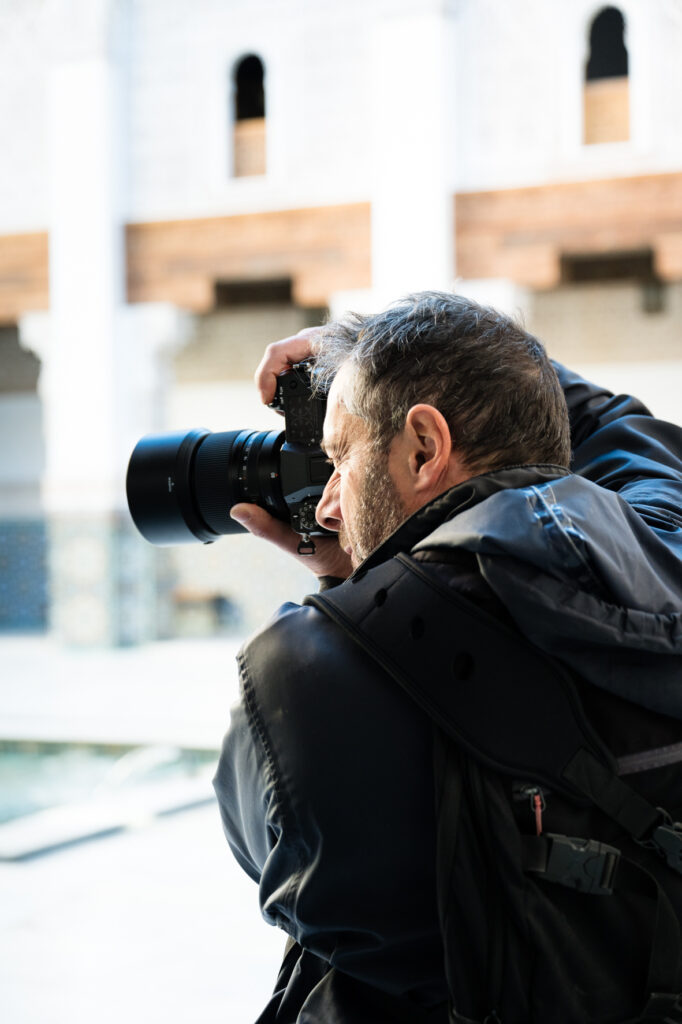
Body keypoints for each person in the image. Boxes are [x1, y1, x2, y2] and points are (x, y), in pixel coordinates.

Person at [213, 291, 682, 1023]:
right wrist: (428, 362)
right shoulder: (666, 546)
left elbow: (285, 870)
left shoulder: (305, 671)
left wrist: (353, 593)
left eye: (339, 457)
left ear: (424, 446)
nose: (328, 506)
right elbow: (622, 428)